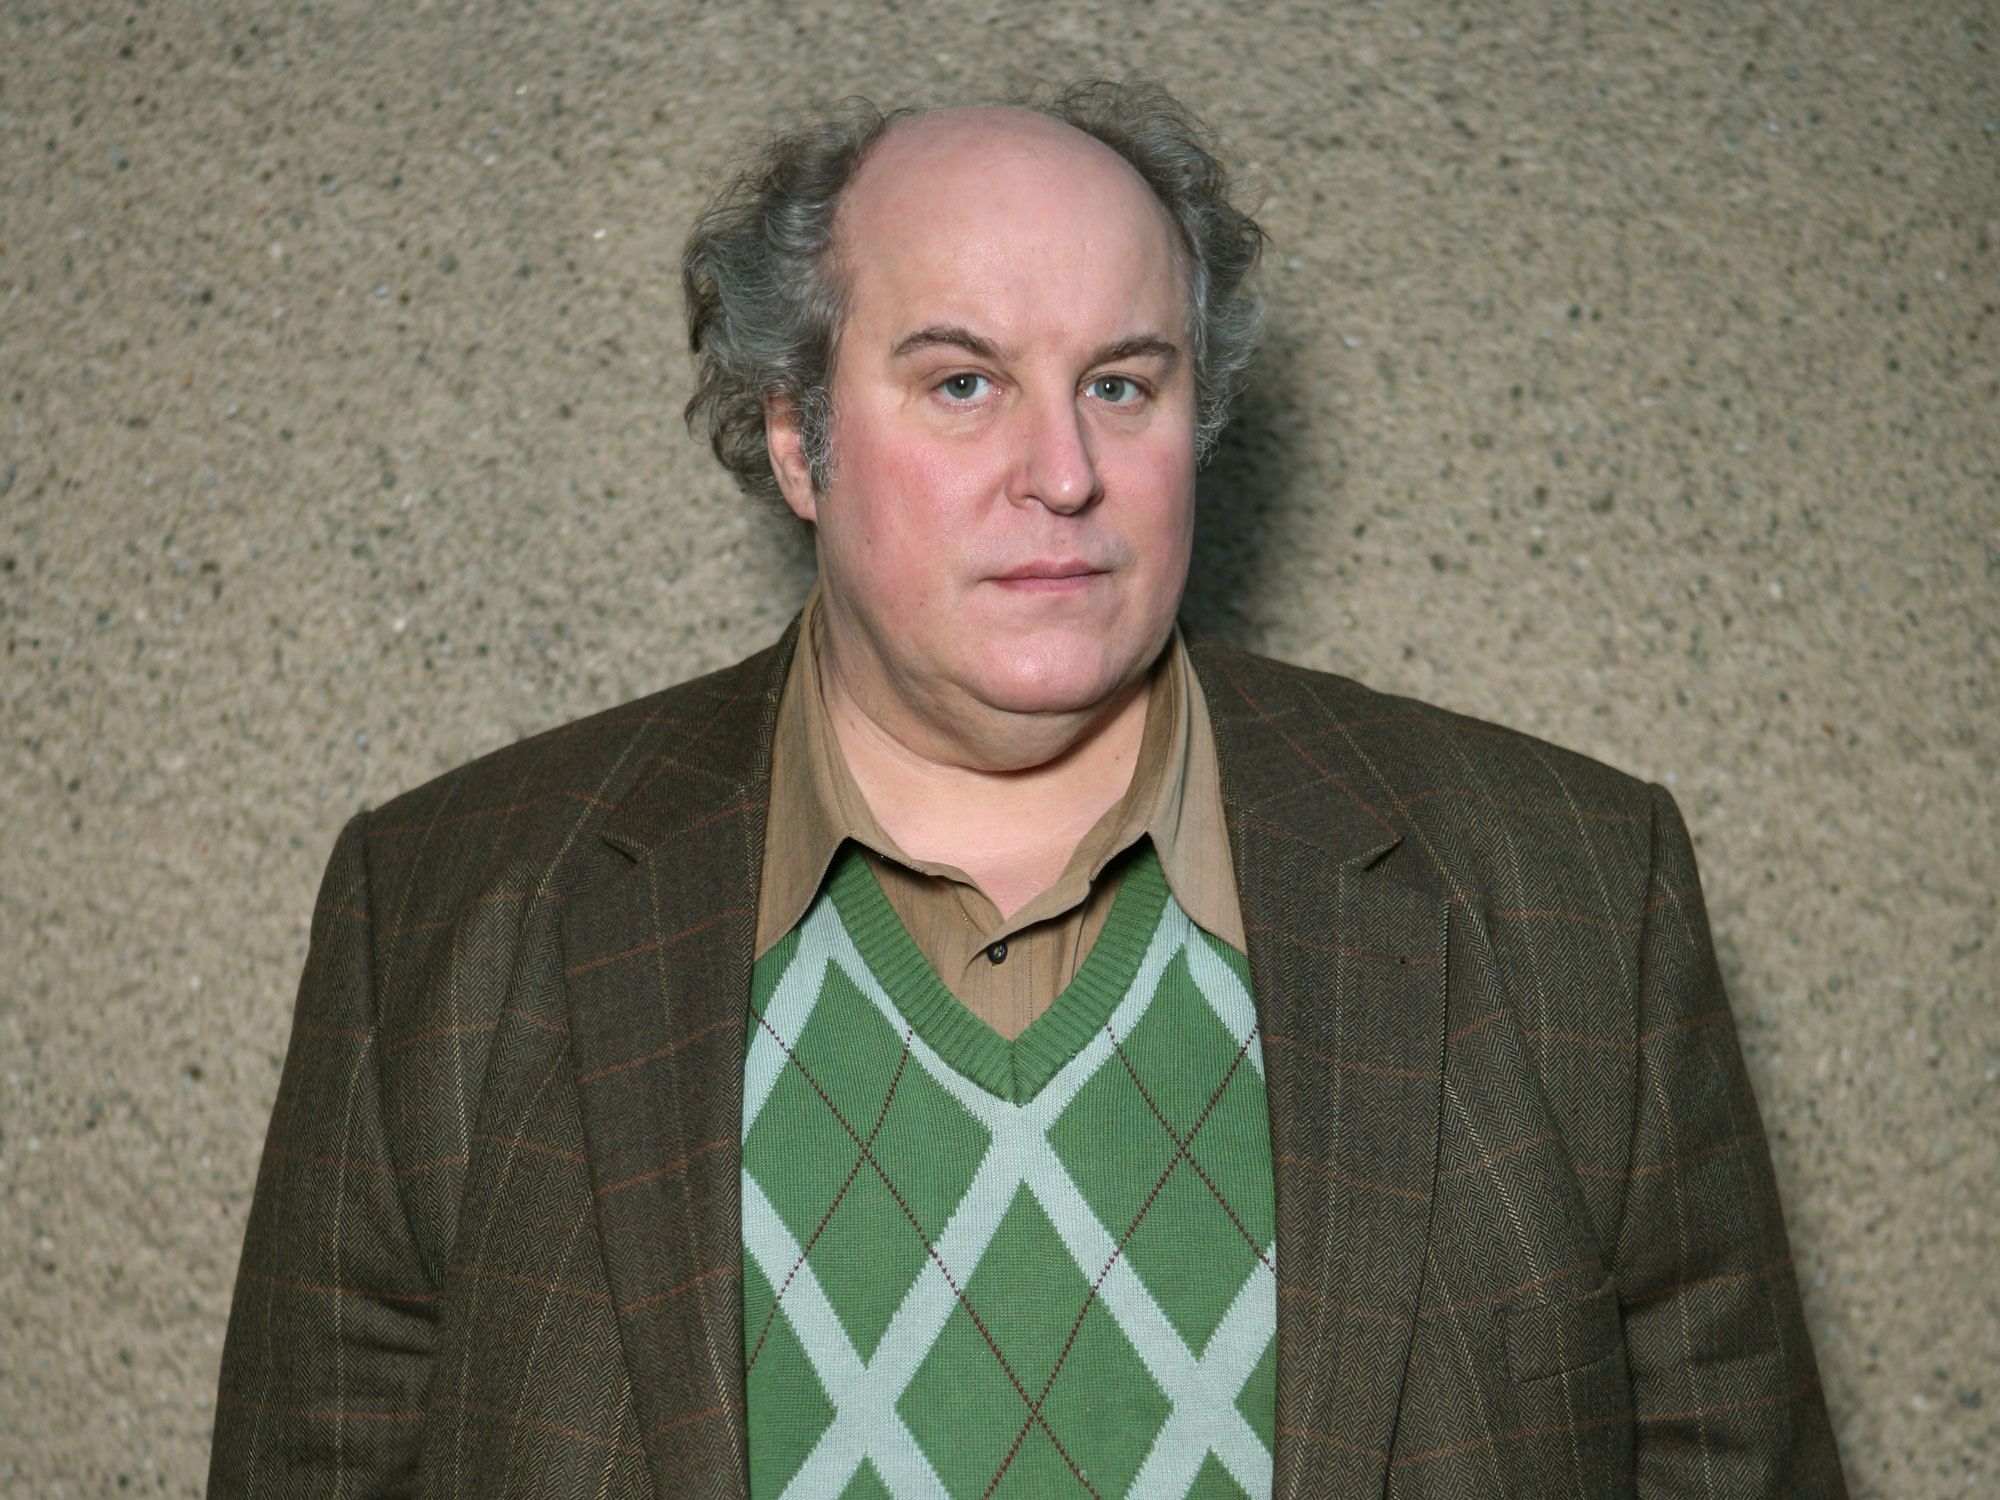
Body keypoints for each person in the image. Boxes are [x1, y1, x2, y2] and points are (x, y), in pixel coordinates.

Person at [208, 79, 1846, 1499]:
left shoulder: (1573, 894)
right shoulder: (450, 910)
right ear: (794, 437)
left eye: (1121, 384)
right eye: (962, 383)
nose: (1063, 473)